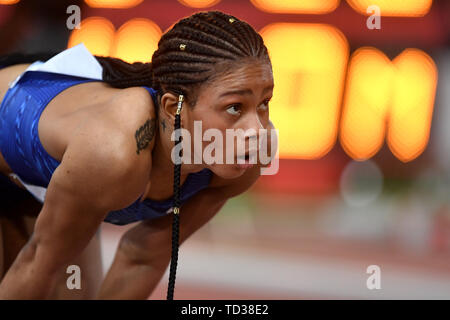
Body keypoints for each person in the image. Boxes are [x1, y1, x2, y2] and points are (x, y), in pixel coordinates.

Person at [0, 10, 275, 299]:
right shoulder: (113, 152)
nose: (256, 130)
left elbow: (142, 257)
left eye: (264, 103)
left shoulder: (251, 152)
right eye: (234, 107)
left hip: (52, 179)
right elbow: (37, 265)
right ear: (172, 108)